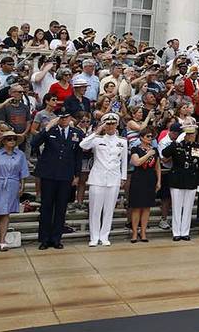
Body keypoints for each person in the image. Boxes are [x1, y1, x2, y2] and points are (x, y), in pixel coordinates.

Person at [31, 107, 82, 250]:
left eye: (66, 117)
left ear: (70, 117)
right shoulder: (50, 131)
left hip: (65, 175)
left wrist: (77, 175)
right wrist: (47, 127)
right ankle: (44, 239)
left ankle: (56, 238)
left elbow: (78, 156)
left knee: (61, 208)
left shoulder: (76, 133)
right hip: (49, 174)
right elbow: (34, 143)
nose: (64, 119)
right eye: (61, 117)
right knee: (46, 207)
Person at [80, 112, 129, 247]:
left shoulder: (122, 142)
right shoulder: (97, 139)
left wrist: (123, 177)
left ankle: (104, 235)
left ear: (117, 124)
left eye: (113, 124)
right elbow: (83, 145)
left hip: (113, 178)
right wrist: (97, 131)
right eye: (108, 124)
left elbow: (124, 160)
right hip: (97, 178)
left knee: (109, 210)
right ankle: (94, 237)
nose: (111, 126)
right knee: (95, 209)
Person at [0, 127, 29, 251]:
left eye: (14, 139)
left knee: (6, 213)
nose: (12, 141)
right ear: (3, 141)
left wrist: (22, 186)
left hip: (13, 184)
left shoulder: (20, 155)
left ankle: (2, 240)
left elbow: (23, 172)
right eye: (9, 139)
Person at [163, 123, 199, 241]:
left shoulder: (198, 148)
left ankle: (185, 232)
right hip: (177, 180)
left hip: (191, 180)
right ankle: (176, 232)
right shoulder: (177, 145)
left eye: (193, 134)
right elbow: (164, 153)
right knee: (177, 207)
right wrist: (175, 143)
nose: (191, 136)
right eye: (189, 134)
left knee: (188, 208)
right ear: (185, 135)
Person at [127, 128, 161, 242]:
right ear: (141, 137)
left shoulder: (155, 150)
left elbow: (157, 167)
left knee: (147, 207)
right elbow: (137, 162)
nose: (150, 139)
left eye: (151, 137)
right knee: (136, 207)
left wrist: (159, 181)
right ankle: (135, 232)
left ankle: (143, 232)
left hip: (150, 179)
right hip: (138, 178)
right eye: (148, 136)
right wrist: (148, 154)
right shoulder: (135, 149)